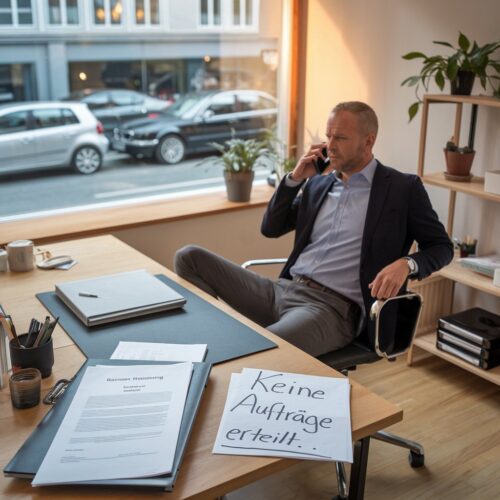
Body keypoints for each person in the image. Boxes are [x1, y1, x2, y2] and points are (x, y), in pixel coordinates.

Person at [174, 101, 453, 357]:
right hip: (282, 290)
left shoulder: (402, 188)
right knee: (189, 257)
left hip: (332, 309)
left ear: (369, 141)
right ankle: (218, 340)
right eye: (329, 136)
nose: (330, 145)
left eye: (341, 138)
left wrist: (407, 264)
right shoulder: (318, 184)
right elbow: (271, 228)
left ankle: (234, 351)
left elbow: (442, 248)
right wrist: (295, 179)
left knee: (261, 352)